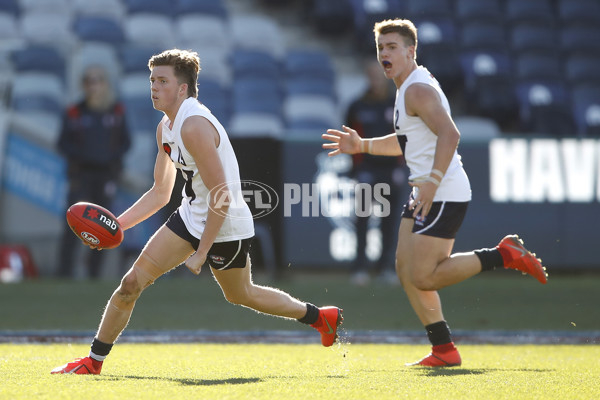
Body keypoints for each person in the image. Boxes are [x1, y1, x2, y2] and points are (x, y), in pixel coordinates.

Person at [51, 49, 342, 375]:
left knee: (241, 294)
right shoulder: (166, 127)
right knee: (130, 283)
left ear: (183, 88)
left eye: (163, 81)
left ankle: (320, 317)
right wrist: (116, 226)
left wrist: (202, 252)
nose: (154, 87)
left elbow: (222, 196)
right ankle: (94, 362)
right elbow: (161, 192)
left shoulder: (193, 126)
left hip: (226, 224)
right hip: (191, 215)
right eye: (152, 80)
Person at [322, 19, 547, 367]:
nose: (384, 54)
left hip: (442, 191)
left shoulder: (415, 89)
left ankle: (503, 255)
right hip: (427, 189)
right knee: (404, 266)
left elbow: (450, 134)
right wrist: (362, 144)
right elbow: (407, 141)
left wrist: (431, 181)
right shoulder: (407, 87)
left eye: (392, 47)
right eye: (381, 48)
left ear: (411, 51)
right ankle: (443, 348)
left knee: (424, 275)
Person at [56, 65, 131, 279]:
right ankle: (64, 273)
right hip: (81, 175)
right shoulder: (74, 112)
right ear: (84, 85)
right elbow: (62, 143)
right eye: (89, 81)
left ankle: (94, 275)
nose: (93, 85)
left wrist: (111, 158)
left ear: (105, 84)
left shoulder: (116, 112)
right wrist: (82, 157)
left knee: (102, 225)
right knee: (73, 222)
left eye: (97, 80)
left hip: (106, 175)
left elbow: (126, 142)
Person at [346, 58, 406, 286]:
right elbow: (350, 138)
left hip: (391, 170)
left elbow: (404, 139)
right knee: (362, 219)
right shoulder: (357, 105)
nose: (375, 79)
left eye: (378, 74)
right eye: (371, 75)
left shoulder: (397, 104)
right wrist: (356, 167)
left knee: (389, 222)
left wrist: (401, 167)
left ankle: (386, 267)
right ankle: (360, 267)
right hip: (366, 170)